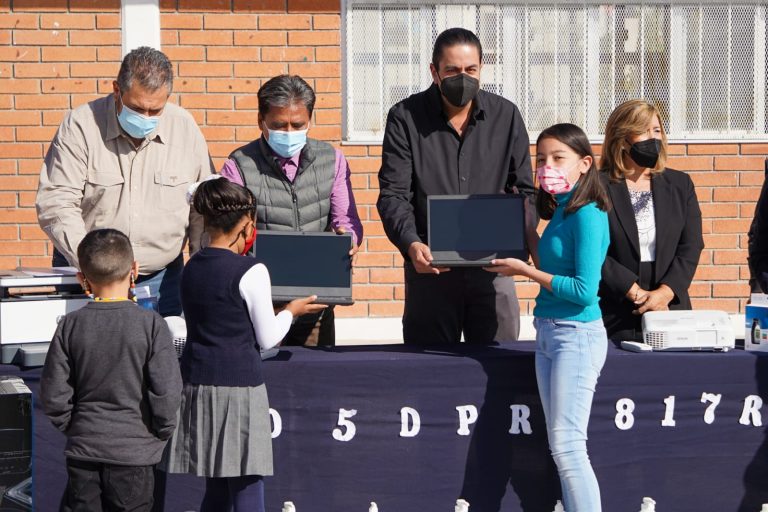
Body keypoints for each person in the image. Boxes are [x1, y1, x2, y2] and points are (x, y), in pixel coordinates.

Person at [161, 178, 325, 512]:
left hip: (197, 385)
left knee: (218, 484)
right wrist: (291, 312)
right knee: (248, 482)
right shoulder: (251, 270)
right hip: (239, 387)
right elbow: (268, 337)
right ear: (246, 224)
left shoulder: (192, 267)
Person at [376, 27, 535, 345]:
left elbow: (525, 191)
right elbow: (394, 193)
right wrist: (410, 243)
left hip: (493, 272)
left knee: (501, 372)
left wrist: (518, 243)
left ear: (481, 69)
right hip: (432, 273)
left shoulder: (506, 116)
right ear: (434, 71)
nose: (462, 77)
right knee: (430, 373)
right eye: (452, 70)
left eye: (470, 70)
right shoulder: (405, 118)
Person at [36, 46, 215, 316]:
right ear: (116, 90)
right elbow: (57, 203)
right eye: (136, 108)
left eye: (155, 111)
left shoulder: (185, 128)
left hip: (161, 280)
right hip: (89, 277)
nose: (145, 118)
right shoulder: (81, 126)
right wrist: (95, 266)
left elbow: (202, 207)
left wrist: (204, 269)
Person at [486, 123, 610, 511]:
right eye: (541, 159)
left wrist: (526, 273)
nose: (547, 167)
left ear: (585, 164)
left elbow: (583, 291)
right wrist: (528, 232)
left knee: (570, 446)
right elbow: (551, 264)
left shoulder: (588, 213)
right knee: (560, 446)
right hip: (549, 333)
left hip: (577, 334)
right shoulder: (561, 211)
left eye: (559, 158)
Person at [40, 228, 183, 512]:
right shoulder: (151, 324)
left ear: (82, 278)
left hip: (84, 450)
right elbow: (167, 392)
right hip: (135, 453)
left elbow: (54, 394)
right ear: (135, 270)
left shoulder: (69, 325)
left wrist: (75, 428)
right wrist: (159, 433)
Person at [219, 74, 363, 346]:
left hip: (315, 304)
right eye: (278, 125)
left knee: (315, 381)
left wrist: (348, 238)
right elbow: (229, 235)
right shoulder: (238, 166)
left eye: (297, 125)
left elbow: (346, 218)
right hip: (261, 308)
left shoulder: (331, 160)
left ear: (310, 120)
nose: (288, 132)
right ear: (261, 121)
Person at [599, 100, 704, 341]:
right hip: (615, 307)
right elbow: (592, 249)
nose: (652, 138)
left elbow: (691, 246)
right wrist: (635, 293)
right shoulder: (597, 185)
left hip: (669, 307)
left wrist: (665, 294)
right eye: (643, 131)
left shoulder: (680, 184)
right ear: (621, 138)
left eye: (656, 130)